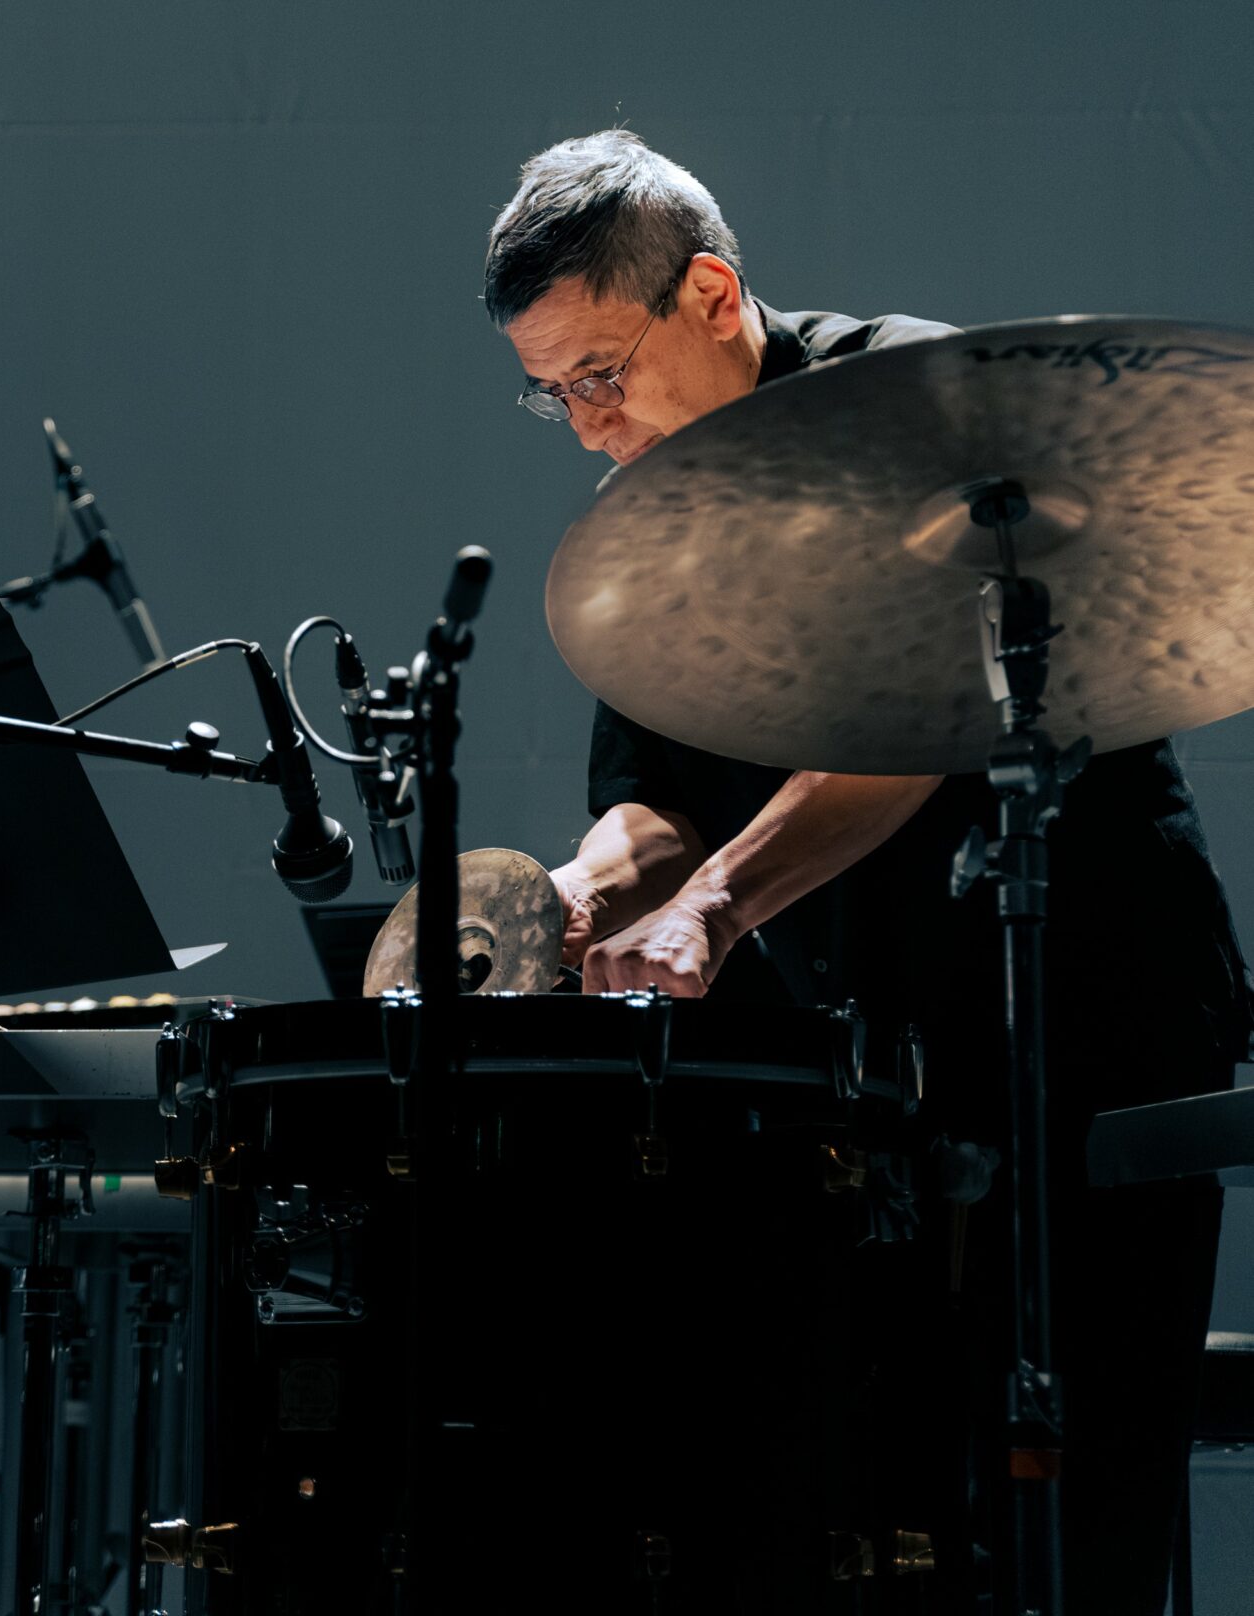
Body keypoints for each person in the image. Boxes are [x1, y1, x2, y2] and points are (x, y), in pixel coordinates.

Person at [484, 127, 1252, 1615]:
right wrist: (574, 893)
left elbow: (918, 729)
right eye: (552, 391)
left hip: (1084, 1016)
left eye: (600, 374)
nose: (584, 426)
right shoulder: (653, 519)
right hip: (880, 1069)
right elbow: (656, 806)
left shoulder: (912, 411)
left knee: (1076, 1524)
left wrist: (711, 908)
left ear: (713, 297)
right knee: (864, 1518)